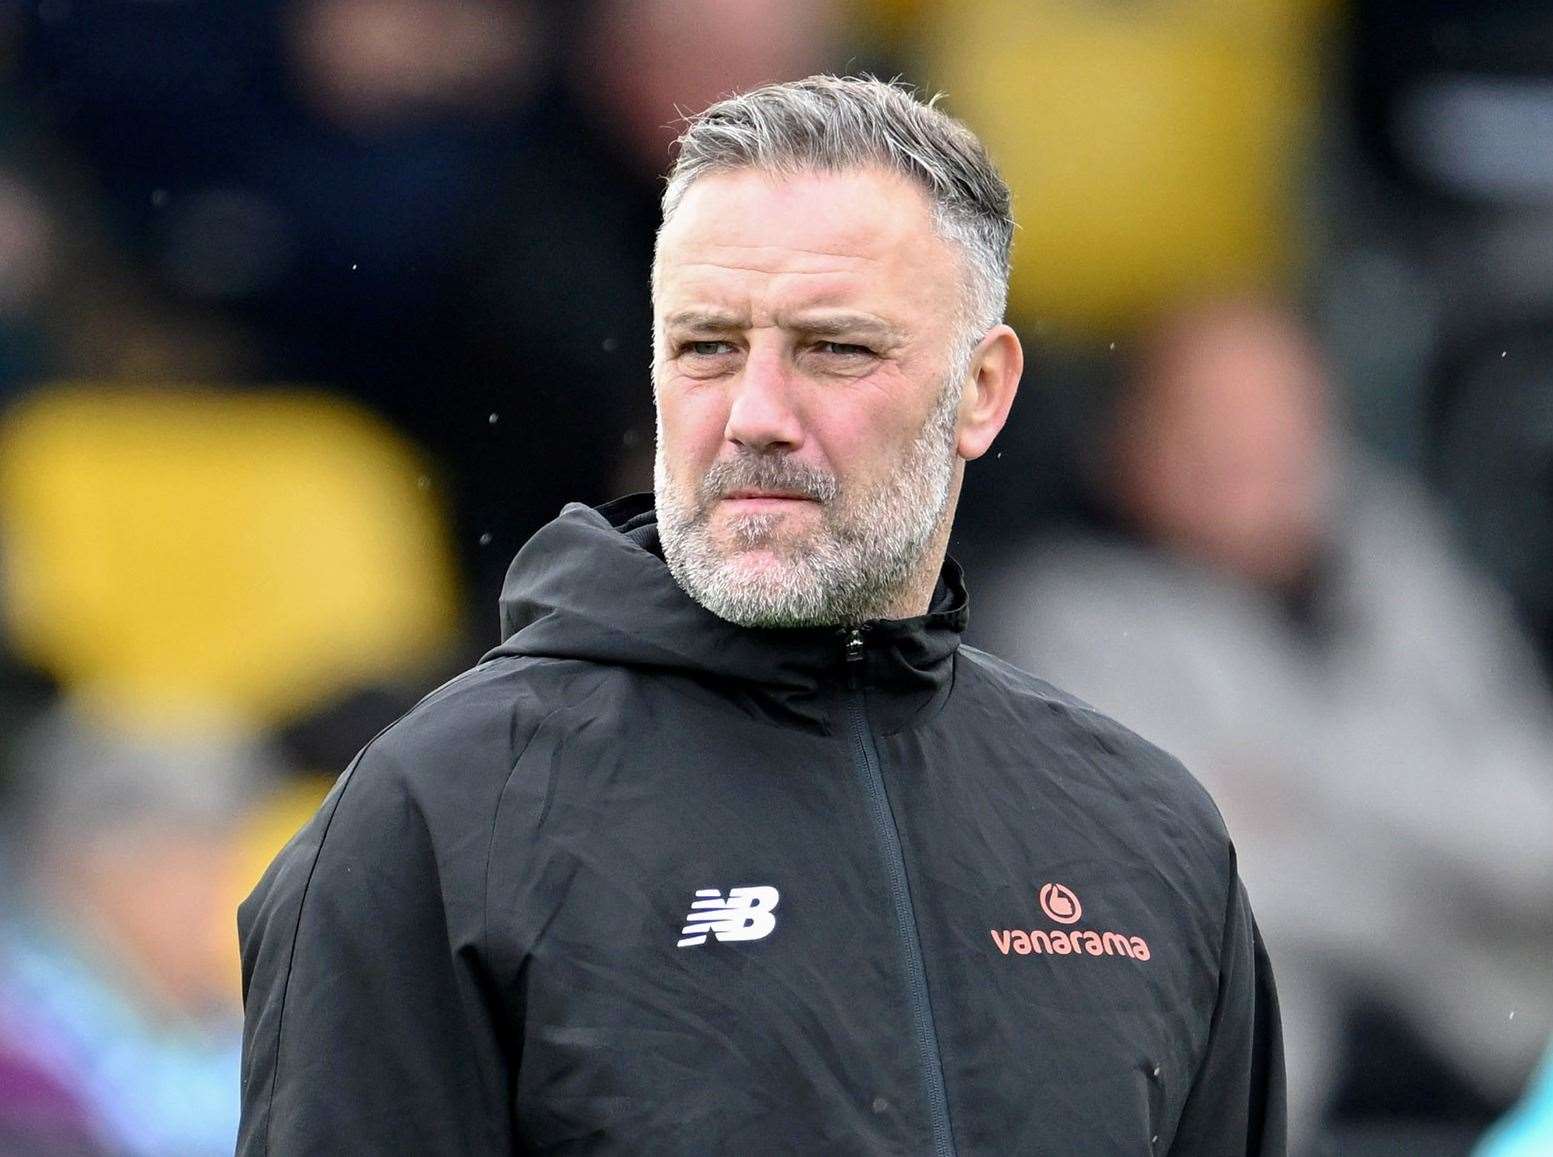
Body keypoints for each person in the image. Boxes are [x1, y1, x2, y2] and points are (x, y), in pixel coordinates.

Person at [238, 76, 1286, 1154]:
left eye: (834, 347)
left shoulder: (1147, 835)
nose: (754, 416)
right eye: (706, 346)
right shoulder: (437, 820)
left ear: (981, 390)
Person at [979, 298, 1553, 1149]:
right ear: (1127, 442)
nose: (1249, 449)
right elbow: (1190, 886)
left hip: (1493, 1053)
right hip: (1275, 1093)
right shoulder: (1061, 617)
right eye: (1206, 420)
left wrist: (1303, 794)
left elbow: (1537, 820)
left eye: (1281, 415)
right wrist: (1443, 888)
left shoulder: (1406, 573)